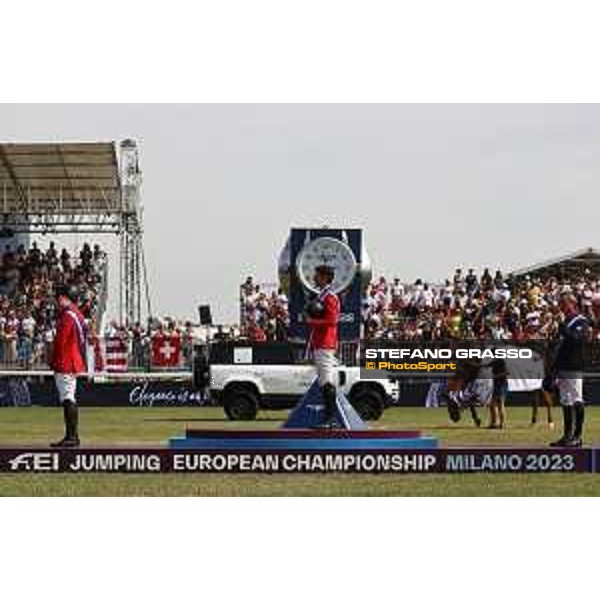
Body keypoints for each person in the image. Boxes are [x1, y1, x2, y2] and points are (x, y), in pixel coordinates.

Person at [549, 293, 589, 447]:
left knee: (577, 399)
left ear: (572, 304)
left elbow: (576, 339)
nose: (561, 307)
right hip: (562, 365)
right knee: (566, 400)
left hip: (574, 365)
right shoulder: (565, 321)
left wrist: (563, 327)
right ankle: (567, 436)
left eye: (564, 304)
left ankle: (577, 436)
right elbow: (560, 345)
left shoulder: (581, 321)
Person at [50, 284, 88, 448]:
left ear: (63, 297)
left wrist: (53, 360)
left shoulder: (67, 316)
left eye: (58, 298)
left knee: (67, 398)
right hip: (72, 359)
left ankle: (72, 437)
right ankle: (71, 436)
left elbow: (60, 341)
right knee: (68, 397)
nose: (56, 301)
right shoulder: (77, 314)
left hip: (65, 361)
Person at [305, 264, 341, 425]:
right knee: (323, 381)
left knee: (326, 381)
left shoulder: (330, 297)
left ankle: (331, 419)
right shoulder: (322, 296)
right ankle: (329, 418)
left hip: (325, 343)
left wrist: (312, 321)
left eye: (317, 275)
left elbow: (332, 321)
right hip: (321, 342)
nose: (314, 278)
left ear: (325, 277)